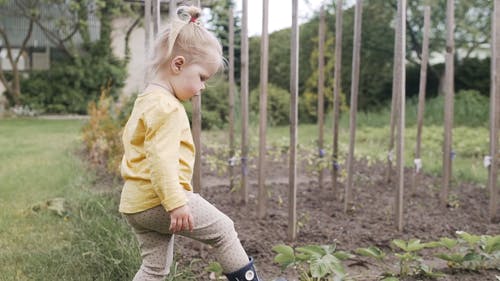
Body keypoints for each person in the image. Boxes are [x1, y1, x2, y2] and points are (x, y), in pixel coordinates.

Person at [119, 5, 263, 281]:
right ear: (178, 64)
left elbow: (136, 150)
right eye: (201, 77)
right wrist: (176, 203)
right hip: (160, 200)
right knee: (223, 230)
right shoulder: (168, 108)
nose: (202, 87)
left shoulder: (146, 100)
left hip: (136, 202)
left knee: (154, 269)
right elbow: (161, 161)